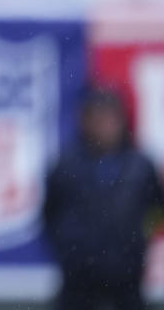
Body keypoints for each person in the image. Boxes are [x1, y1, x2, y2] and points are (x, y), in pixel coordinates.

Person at [43, 87, 164, 310]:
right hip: (78, 277)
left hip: (126, 275)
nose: (105, 126)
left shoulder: (140, 166)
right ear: (85, 121)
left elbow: (156, 211)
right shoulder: (66, 165)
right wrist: (70, 248)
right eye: (98, 118)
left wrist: (137, 241)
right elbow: (49, 213)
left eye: (110, 118)